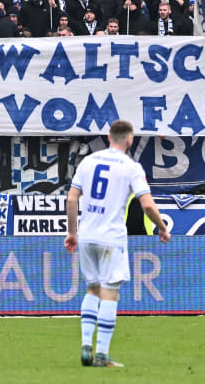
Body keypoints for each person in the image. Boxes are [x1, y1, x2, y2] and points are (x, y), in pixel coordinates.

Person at [64, 119, 170, 368]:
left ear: (108, 137)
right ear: (130, 140)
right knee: (110, 293)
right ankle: (101, 354)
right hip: (111, 237)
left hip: (87, 235)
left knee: (92, 289)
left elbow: (71, 200)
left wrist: (72, 233)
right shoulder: (131, 167)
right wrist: (162, 228)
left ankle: (86, 345)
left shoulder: (88, 162)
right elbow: (146, 204)